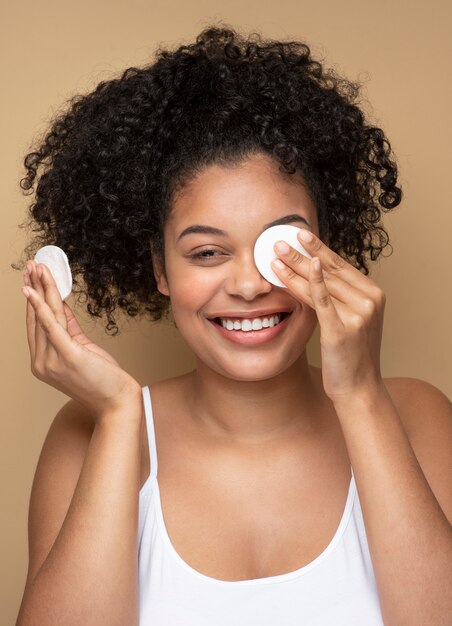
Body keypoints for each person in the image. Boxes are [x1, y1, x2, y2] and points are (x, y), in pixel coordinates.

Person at [13, 24, 452, 626]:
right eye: (207, 252)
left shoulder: (416, 418)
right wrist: (119, 416)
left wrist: (360, 392)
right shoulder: (84, 436)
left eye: (282, 247)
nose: (249, 285)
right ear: (158, 269)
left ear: (328, 245)